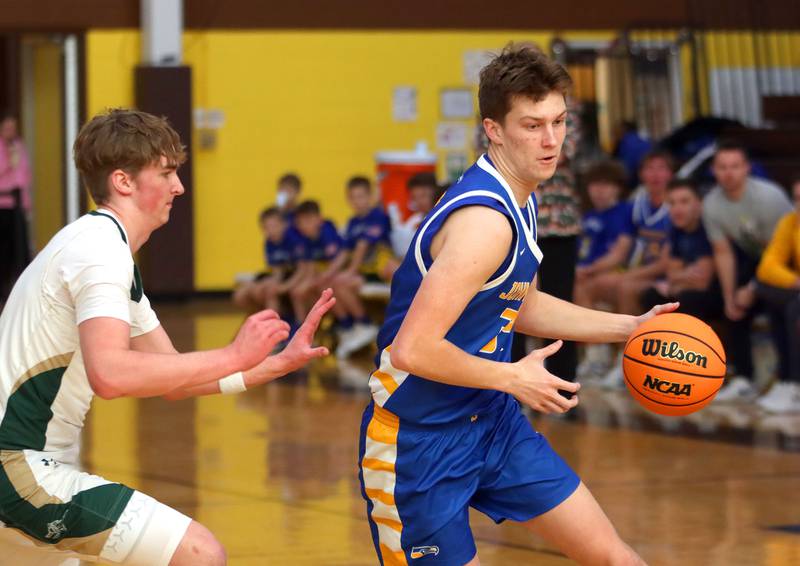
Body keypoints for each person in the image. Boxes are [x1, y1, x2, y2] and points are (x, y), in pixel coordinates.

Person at [358, 44, 673, 566]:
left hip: (492, 422)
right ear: (494, 129)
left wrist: (630, 327)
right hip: (419, 442)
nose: (551, 141)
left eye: (559, 122)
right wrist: (510, 377)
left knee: (614, 556)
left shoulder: (519, 197)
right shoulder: (485, 223)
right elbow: (413, 349)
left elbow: (517, 303)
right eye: (532, 126)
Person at [0, 109, 335, 566]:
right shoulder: (99, 251)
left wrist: (269, 364)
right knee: (200, 553)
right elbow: (111, 374)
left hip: (27, 470)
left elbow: (173, 378)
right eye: (166, 172)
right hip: (19, 469)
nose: (179, 187)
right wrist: (232, 351)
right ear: (123, 181)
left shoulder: (102, 246)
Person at [702, 140, 793, 402]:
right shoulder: (712, 204)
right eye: (722, 167)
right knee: (729, 305)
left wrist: (753, 288)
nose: (728, 173)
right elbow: (724, 253)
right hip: (755, 261)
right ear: (713, 170)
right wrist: (731, 296)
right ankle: (744, 378)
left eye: (735, 166)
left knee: (775, 301)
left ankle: (788, 382)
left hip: (786, 263)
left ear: (747, 169)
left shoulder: (769, 197)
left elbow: (784, 251)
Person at [572, 160, 631, 379]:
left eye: (606, 184)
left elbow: (619, 254)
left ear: (617, 187)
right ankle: (594, 352)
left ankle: (598, 351)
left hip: (616, 271)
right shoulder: (586, 217)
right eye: (595, 184)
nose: (600, 190)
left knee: (580, 286)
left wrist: (590, 269)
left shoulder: (624, 212)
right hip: (587, 273)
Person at [331, 176, 397, 359]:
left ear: (370, 196)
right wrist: (330, 274)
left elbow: (362, 246)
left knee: (341, 284)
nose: (358, 201)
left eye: (361, 196)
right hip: (364, 272)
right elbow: (345, 251)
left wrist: (350, 272)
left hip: (380, 272)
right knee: (329, 284)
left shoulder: (378, 216)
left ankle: (364, 324)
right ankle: (348, 327)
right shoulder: (353, 222)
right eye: (353, 197)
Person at [639, 179, 722, 319]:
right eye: (672, 203)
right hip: (687, 289)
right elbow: (671, 273)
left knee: (687, 299)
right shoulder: (677, 230)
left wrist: (676, 284)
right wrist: (683, 276)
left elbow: (702, 282)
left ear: (698, 204)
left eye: (684, 202)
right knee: (651, 296)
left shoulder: (707, 229)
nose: (677, 209)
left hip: (720, 294)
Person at [754, 176, 800, 413]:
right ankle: (787, 381)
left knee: (795, 306)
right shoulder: (791, 222)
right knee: (767, 291)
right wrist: (795, 280)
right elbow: (767, 267)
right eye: (798, 199)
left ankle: (795, 382)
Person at [232, 207, 304, 314]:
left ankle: (280, 325)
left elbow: (303, 271)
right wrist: (268, 284)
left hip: (298, 278)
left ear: (284, 224)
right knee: (241, 294)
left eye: (274, 226)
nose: (271, 230)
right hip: (283, 277)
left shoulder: (295, 240)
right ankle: (256, 321)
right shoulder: (269, 243)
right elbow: (277, 272)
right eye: (267, 227)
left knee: (271, 291)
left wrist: (283, 287)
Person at [290, 200, 344, 321]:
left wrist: (325, 275)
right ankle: (303, 327)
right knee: (299, 291)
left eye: (308, 221)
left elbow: (341, 258)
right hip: (325, 273)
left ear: (319, 219)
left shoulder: (327, 232)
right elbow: (310, 266)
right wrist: (308, 281)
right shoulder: (305, 239)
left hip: (340, 272)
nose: (304, 225)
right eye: (300, 222)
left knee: (325, 288)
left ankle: (346, 323)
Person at [0, 112, 32, 299]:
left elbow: (24, 176)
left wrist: (26, 206)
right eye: (7, 128)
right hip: (1, 204)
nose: (10, 132)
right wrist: (8, 161)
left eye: (13, 128)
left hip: (17, 203)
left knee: (19, 252)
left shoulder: (19, 146)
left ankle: (16, 291)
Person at [387, 172, 440, 258]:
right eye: (415, 197)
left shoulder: (443, 217)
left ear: (435, 193)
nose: (419, 202)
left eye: (423, 195)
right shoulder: (414, 220)